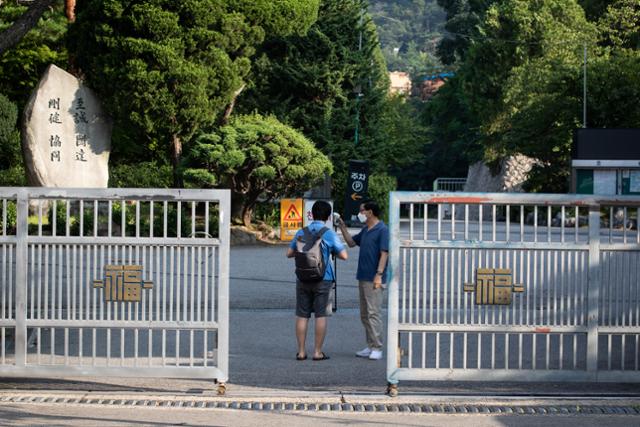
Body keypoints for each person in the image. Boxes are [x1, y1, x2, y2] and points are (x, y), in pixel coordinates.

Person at [286, 200, 347, 361]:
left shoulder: (301, 232)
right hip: (323, 279)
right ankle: (317, 352)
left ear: (311, 215)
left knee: (302, 314)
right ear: (328, 217)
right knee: (320, 315)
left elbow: (289, 253)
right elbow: (344, 256)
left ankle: (301, 352)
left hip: (303, 278)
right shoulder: (329, 233)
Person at [336, 200, 389, 360]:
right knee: (365, 314)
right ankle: (370, 345)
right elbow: (351, 243)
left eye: (362, 211)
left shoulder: (382, 230)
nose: (360, 214)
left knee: (374, 313)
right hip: (363, 277)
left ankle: (377, 347)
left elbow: (384, 253)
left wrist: (379, 274)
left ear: (370, 212)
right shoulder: (366, 229)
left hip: (374, 278)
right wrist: (342, 227)